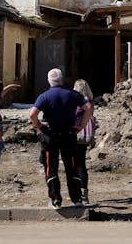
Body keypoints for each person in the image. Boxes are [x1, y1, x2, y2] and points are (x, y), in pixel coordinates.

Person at [29, 68, 93, 209]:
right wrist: (81, 125)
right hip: (68, 134)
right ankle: (77, 199)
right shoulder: (72, 94)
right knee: (71, 166)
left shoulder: (44, 96)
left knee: (51, 168)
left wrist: (39, 125)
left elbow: (32, 114)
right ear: (62, 80)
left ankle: (55, 200)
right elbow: (88, 107)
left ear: (48, 81)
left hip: (50, 135)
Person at [73, 79, 97, 205]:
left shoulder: (79, 102)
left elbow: (75, 115)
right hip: (88, 135)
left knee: (78, 164)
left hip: (78, 134)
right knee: (82, 162)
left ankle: (81, 193)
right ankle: (84, 192)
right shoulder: (90, 101)